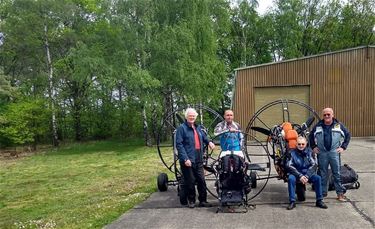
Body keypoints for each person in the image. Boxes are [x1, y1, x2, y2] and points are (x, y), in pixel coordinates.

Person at [176, 108, 215, 208]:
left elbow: (203, 137)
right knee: (191, 181)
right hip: (188, 159)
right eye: (190, 116)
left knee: (201, 180)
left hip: (198, 159)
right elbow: (179, 145)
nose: (192, 117)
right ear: (186, 117)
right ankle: (192, 200)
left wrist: (209, 142)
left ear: (196, 117)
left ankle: (203, 200)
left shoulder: (197, 127)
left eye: (193, 116)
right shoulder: (182, 128)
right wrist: (185, 159)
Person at [309, 108, 351, 201]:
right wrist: (313, 147)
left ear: (332, 115)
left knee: (337, 173)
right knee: (323, 173)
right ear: (322, 116)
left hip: (334, 153)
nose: (327, 116)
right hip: (322, 153)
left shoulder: (338, 125)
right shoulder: (318, 126)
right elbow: (310, 136)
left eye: (328, 114)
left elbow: (348, 135)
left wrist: (343, 147)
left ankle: (340, 194)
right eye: (325, 115)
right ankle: (323, 193)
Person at [286, 136, 328, 210]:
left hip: (307, 174)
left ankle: (319, 200)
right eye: (299, 144)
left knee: (318, 178)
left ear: (306, 144)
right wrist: (300, 175)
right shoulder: (291, 153)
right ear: (296, 144)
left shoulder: (310, 152)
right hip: (296, 174)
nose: (301, 146)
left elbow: (314, 164)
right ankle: (292, 201)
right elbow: (289, 166)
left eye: (303, 144)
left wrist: (307, 175)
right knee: (290, 179)